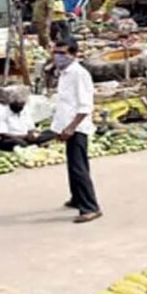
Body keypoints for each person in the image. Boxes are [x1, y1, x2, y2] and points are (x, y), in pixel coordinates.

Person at [51, 41, 101, 223]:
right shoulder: (64, 73)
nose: (57, 56)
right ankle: (77, 198)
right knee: (74, 165)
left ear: (73, 54)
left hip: (77, 127)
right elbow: (65, 103)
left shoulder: (79, 74)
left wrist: (71, 127)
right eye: (55, 52)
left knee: (78, 167)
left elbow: (85, 105)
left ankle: (90, 207)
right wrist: (59, 127)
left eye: (62, 53)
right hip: (66, 125)